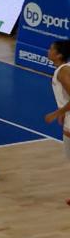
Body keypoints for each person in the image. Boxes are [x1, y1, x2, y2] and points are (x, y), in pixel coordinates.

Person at [43, 39, 70, 205]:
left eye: (51, 49)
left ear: (58, 54)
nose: (48, 50)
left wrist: (56, 113)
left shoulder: (63, 72)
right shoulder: (62, 70)